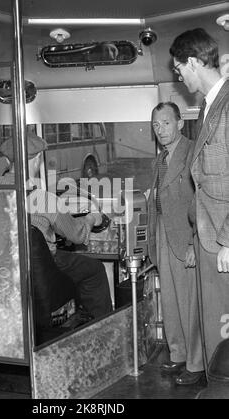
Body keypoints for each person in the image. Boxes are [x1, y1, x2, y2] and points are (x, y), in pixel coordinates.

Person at [0, 132, 113, 320]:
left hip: (1, 266)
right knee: (95, 270)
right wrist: (92, 218)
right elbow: (77, 234)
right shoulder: (44, 199)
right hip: (40, 267)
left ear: (6, 160)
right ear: (36, 160)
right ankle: (103, 329)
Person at [170, 28, 229, 371]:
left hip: (222, 242)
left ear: (193, 62)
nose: (179, 76)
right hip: (208, 239)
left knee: (224, 334)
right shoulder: (208, 107)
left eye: (179, 69)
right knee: (215, 333)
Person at [148, 102, 204, 385]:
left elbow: (201, 201)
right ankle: (178, 353)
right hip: (163, 235)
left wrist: (195, 243)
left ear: (180, 123)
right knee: (169, 302)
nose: (161, 130)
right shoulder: (158, 160)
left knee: (190, 303)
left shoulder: (193, 151)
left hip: (185, 237)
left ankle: (196, 363)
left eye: (166, 123)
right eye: (156, 125)